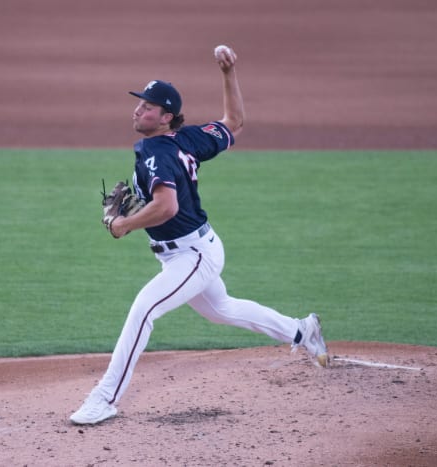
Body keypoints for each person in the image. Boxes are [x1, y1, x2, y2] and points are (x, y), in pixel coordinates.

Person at [70, 45, 328, 425]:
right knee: (223, 310)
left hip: (192, 256)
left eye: (148, 106)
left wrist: (124, 224)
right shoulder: (186, 139)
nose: (138, 110)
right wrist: (228, 72)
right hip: (194, 249)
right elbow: (234, 122)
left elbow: (167, 207)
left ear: (166, 117)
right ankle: (302, 330)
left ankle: (105, 398)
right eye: (139, 103)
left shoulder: (158, 152)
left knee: (143, 311)